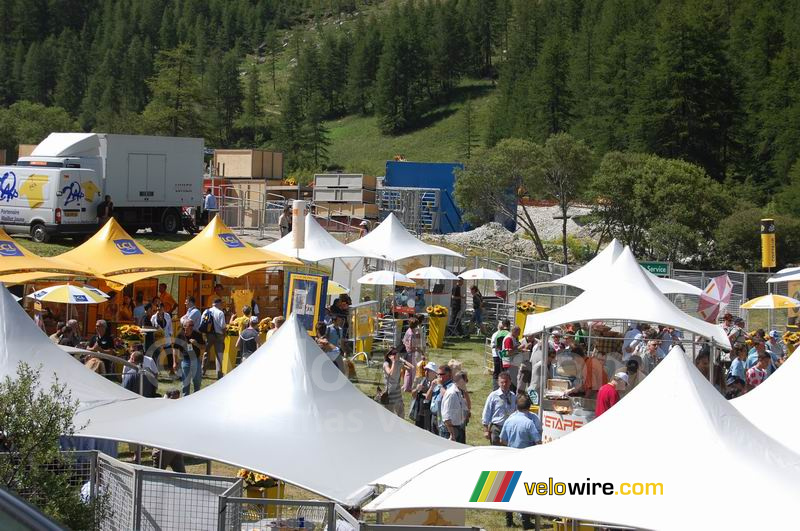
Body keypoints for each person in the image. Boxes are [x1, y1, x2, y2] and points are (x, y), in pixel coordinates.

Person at [499, 394, 541, 530]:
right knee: (524, 489)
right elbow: (538, 441)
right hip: (525, 458)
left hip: (511, 456)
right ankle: (525, 520)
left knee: (508, 489)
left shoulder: (509, 420)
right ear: (529, 407)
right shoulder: (529, 423)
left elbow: (502, 440)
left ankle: (509, 519)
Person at [482, 372, 516, 446]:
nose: (504, 384)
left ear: (510, 382)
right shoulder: (493, 396)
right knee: (496, 450)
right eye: (502, 382)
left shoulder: (513, 396)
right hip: (497, 428)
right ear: (498, 383)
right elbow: (486, 412)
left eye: (506, 382)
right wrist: (486, 430)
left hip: (510, 428)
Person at [175, 319, 205, 395]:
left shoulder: (197, 334)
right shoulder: (180, 335)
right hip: (185, 361)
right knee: (185, 382)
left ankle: (196, 398)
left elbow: (203, 347)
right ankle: (185, 399)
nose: (192, 327)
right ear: (184, 326)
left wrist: (196, 344)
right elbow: (175, 348)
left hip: (196, 360)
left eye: (192, 325)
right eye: (190, 325)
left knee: (197, 381)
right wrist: (175, 362)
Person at [440, 365, 467, 443]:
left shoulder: (458, 393)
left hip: (458, 428)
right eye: (465, 380)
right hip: (450, 430)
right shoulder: (452, 394)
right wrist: (452, 434)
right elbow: (446, 416)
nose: (466, 383)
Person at [382, 348, 412, 417]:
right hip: (390, 393)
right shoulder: (386, 364)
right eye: (394, 354)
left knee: (401, 414)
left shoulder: (398, 363)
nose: (396, 355)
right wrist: (393, 362)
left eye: (396, 354)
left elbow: (410, 367)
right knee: (389, 415)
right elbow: (390, 373)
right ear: (389, 356)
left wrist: (402, 360)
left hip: (397, 392)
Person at [204, 298, 227, 379]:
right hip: (218, 335)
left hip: (208, 335)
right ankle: (219, 374)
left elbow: (202, 324)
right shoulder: (220, 313)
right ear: (218, 304)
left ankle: (202, 371)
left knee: (206, 353)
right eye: (221, 304)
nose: (221, 306)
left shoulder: (206, 311)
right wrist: (224, 335)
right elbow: (223, 326)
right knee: (219, 354)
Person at [150, 303, 175, 377]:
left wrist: (170, 334)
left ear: (163, 308)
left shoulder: (167, 315)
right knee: (157, 355)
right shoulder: (153, 317)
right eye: (157, 309)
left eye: (160, 308)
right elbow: (152, 327)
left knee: (169, 354)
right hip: (158, 338)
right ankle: (156, 371)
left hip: (166, 337)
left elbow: (170, 326)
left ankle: (171, 370)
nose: (159, 310)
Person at [411, 362, 437, 431]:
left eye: (429, 370)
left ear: (435, 373)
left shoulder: (437, 383)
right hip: (420, 412)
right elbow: (413, 395)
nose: (426, 372)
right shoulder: (422, 380)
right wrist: (417, 389)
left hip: (430, 414)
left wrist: (426, 389)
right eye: (426, 370)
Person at [402, 318, 425, 392]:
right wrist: (420, 350)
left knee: (408, 371)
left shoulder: (408, 330)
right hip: (410, 353)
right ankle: (407, 387)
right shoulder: (412, 334)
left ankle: (406, 385)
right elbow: (412, 346)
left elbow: (404, 340)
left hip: (406, 351)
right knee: (410, 371)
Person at [490, 320, 511, 390]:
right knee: (500, 371)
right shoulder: (498, 334)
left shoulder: (500, 334)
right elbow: (493, 345)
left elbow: (495, 345)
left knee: (500, 371)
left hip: (500, 355)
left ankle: (499, 386)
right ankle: (498, 387)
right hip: (500, 355)